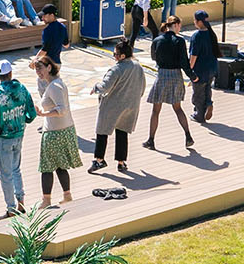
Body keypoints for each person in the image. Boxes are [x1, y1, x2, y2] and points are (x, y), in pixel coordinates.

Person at [0, 59, 36, 218]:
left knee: (5, 175)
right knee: (16, 169)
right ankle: (21, 203)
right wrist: (23, 120)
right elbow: (32, 113)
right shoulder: (22, 88)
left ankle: (11, 209)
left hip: (4, 138)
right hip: (19, 134)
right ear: (11, 73)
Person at [89, 38, 147, 173]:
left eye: (115, 54)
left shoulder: (116, 69)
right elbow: (142, 87)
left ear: (122, 56)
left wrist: (96, 87)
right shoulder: (138, 67)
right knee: (122, 132)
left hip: (112, 106)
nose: (114, 56)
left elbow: (105, 87)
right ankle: (121, 162)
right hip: (131, 106)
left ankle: (99, 160)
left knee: (102, 131)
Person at [31, 52, 81, 206]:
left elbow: (62, 109)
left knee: (46, 167)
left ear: (49, 67)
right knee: (59, 165)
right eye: (36, 70)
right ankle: (67, 195)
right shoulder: (56, 83)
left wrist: (44, 113)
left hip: (55, 132)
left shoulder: (54, 86)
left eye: (41, 69)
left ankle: (46, 200)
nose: (38, 72)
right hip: (63, 130)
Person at [145, 15, 196, 154]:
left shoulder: (157, 40)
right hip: (176, 75)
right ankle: (188, 136)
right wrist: (192, 77)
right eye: (180, 26)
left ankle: (151, 140)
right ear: (176, 25)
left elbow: (153, 57)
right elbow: (184, 62)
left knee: (156, 110)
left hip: (162, 75)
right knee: (178, 108)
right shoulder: (179, 41)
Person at [188, 9, 220, 124]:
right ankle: (208, 104)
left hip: (200, 69)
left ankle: (199, 115)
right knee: (207, 88)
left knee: (198, 93)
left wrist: (189, 71)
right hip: (212, 68)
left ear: (200, 22)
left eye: (195, 20)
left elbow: (194, 55)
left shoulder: (197, 36)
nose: (194, 22)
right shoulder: (211, 33)